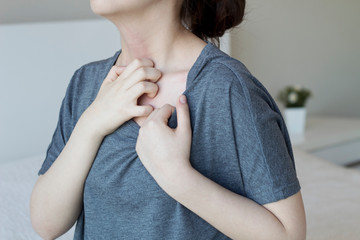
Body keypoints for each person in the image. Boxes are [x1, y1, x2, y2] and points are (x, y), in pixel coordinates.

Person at [30, 0, 306, 239]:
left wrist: (177, 177)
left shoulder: (226, 88)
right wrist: (93, 122)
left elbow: (289, 234)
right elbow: (46, 224)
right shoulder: (86, 84)